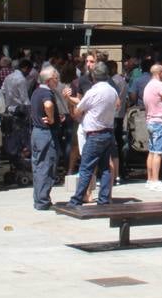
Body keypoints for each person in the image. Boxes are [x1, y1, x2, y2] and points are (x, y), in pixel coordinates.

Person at [68, 61, 118, 207]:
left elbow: (78, 110)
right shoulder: (112, 91)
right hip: (108, 132)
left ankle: (77, 199)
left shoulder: (92, 92)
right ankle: (103, 199)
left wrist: (70, 102)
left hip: (95, 133)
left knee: (86, 168)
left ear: (93, 77)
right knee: (105, 168)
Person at [30, 65, 60, 210]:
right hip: (45, 134)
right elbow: (48, 105)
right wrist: (52, 118)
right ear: (49, 80)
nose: (58, 81)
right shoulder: (46, 93)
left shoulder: (36, 91)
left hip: (36, 132)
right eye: (56, 78)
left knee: (38, 166)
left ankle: (38, 199)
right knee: (46, 166)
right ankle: (43, 201)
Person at [141, 64, 162, 190]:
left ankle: (150, 179)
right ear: (160, 72)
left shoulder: (148, 85)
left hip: (150, 121)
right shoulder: (160, 85)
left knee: (152, 152)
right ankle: (155, 181)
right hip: (159, 121)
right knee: (158, 152)